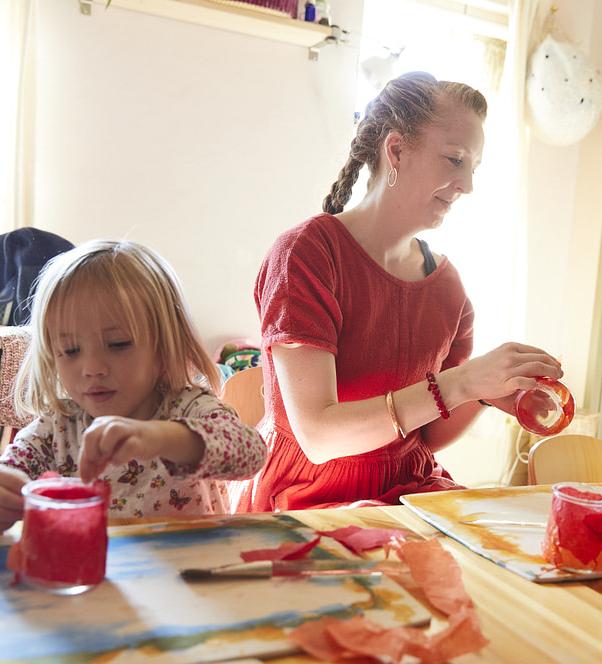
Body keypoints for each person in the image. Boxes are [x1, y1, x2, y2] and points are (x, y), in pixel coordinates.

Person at [234, 71, 562, 512]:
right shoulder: (307, 254)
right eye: (455, 160)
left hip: (408, 489)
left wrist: (481, 392)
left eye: (473, 167)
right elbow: (318, 436)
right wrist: (459, 382)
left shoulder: (448, 286)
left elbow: (427, 436)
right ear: (396, 151)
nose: (468, 185)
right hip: (307, 497)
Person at [0, 239, 268, 532]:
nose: (92, 368)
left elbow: (251, 453)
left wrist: (158, 437)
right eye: (70, 350)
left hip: (186, 579)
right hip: (91, 579)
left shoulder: (189, 408)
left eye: (118, 344)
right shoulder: (55, 431)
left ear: (165, 346)